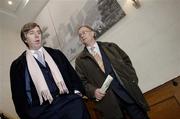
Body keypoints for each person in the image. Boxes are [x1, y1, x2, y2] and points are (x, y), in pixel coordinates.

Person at [10, 22, 90, 119]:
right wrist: (30, 115)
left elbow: (72, 75)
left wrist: (77, 93)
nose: (36, 35)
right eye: (31, 33)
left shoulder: (56, 54)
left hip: (69, 103)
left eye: (38, 32)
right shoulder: (17, 66)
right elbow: (18, 97)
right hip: (43, 112)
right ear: (25, 39)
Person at [75, 25, 150, 119]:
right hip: (108, 104)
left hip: (128, 95)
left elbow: (127, 61)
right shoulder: (80, 60)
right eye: (79, 35)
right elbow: (82, 82)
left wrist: (131, 80)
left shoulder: (111, 47)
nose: (82, 35)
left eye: (84, 32)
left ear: (93, 33)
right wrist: (93, 91)